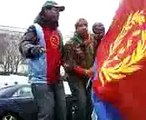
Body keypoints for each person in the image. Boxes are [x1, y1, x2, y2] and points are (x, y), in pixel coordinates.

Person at [19, 1, 66, 120]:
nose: (58, 13)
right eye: (55, 10)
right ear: (45, 11)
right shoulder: (35, 28)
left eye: (59, 11)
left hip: (57, 80)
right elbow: (24, 44)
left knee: (62, 114)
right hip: (41, 81)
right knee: (47, 114)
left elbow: (62, 54)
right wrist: (32, 49)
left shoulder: (58, 33)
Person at [63, 18, 94, 120]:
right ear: (76, 29)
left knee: (90, 102)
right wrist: (85, 71)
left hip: (88, 77)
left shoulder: (91, 41)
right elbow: (69, 64)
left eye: (86, 25)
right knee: (81, 102)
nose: (84, 27)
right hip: (75, 77)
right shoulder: (70, 44)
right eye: (81, 25)